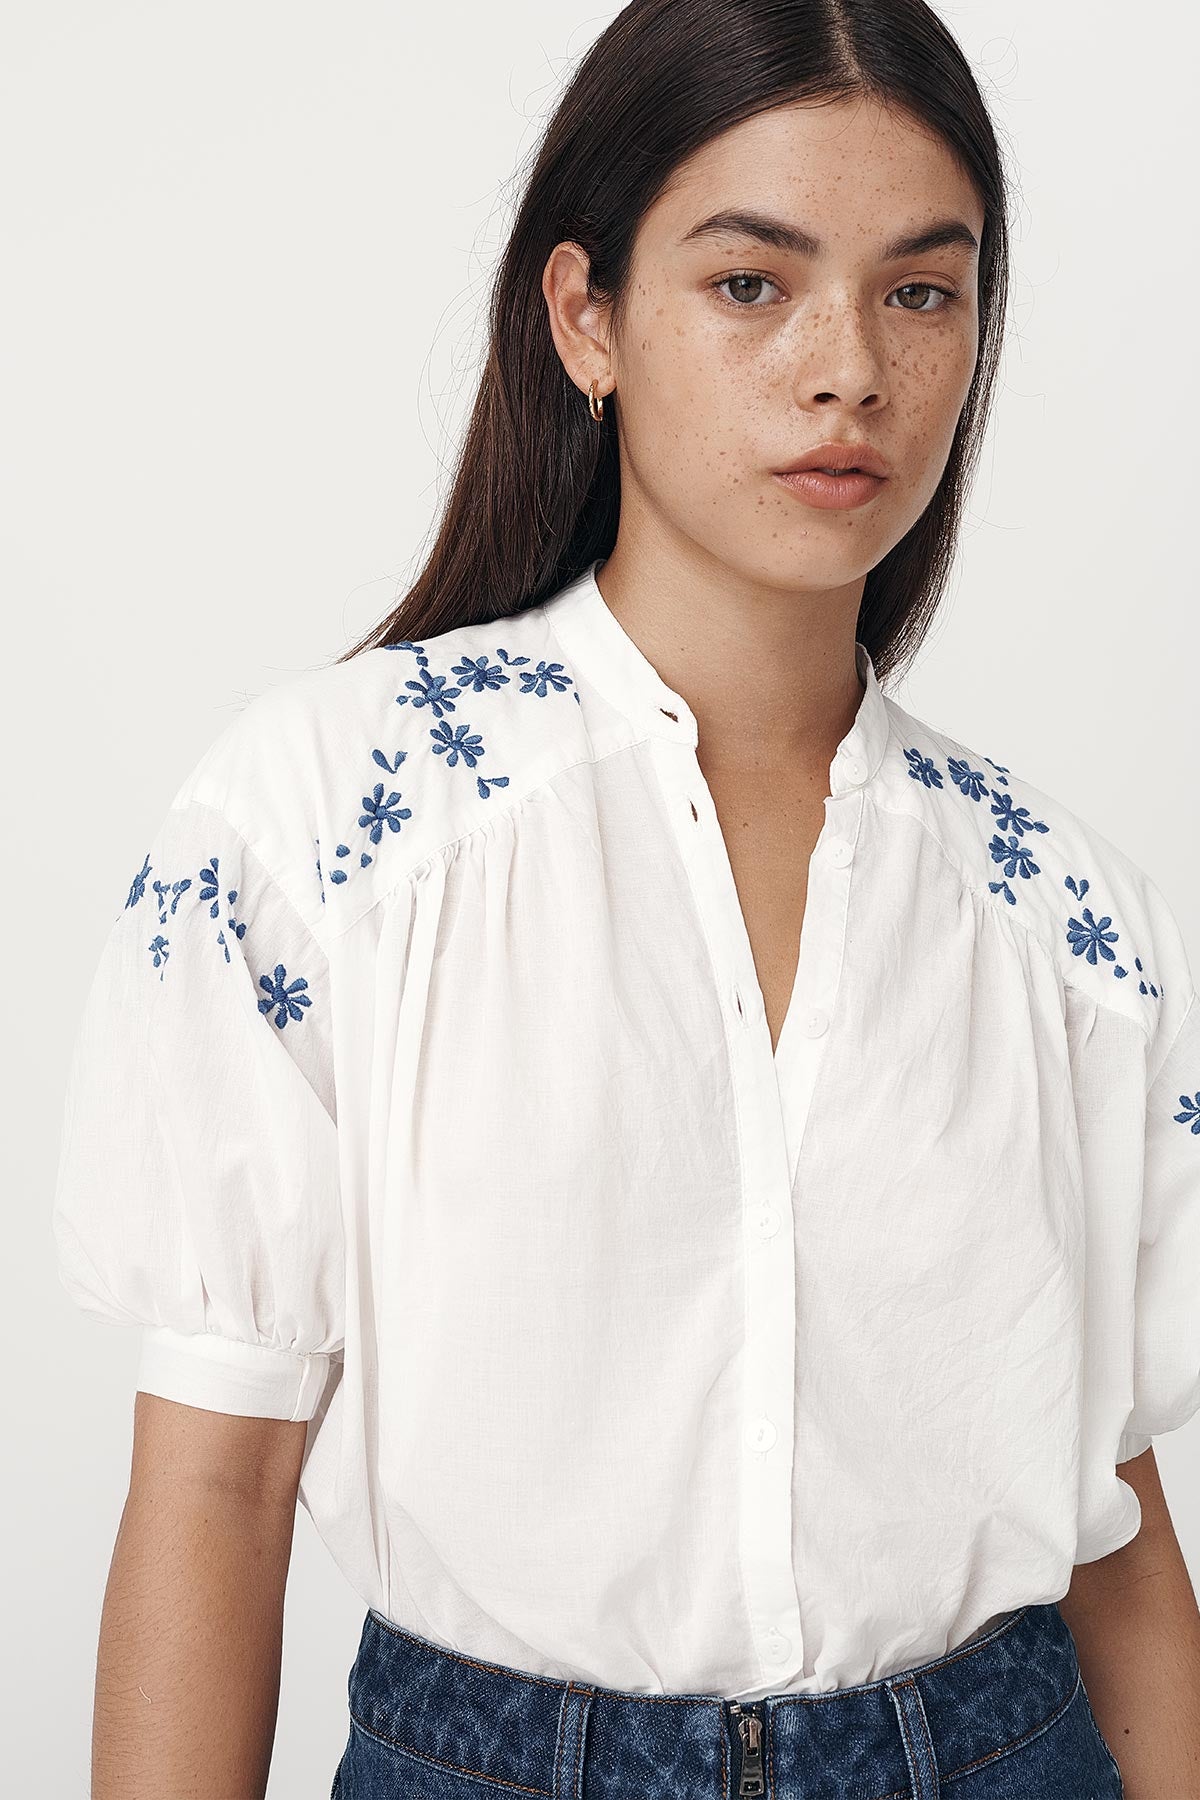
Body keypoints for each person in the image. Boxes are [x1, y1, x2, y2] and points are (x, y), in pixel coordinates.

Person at [51, 1, 1200, 1795]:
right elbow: (216, 1488)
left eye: (921, 291)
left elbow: (1113, 1518)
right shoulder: (322, 830)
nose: (849, 371)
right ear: (585, 315)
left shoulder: (1063, 919)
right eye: (752, 284)